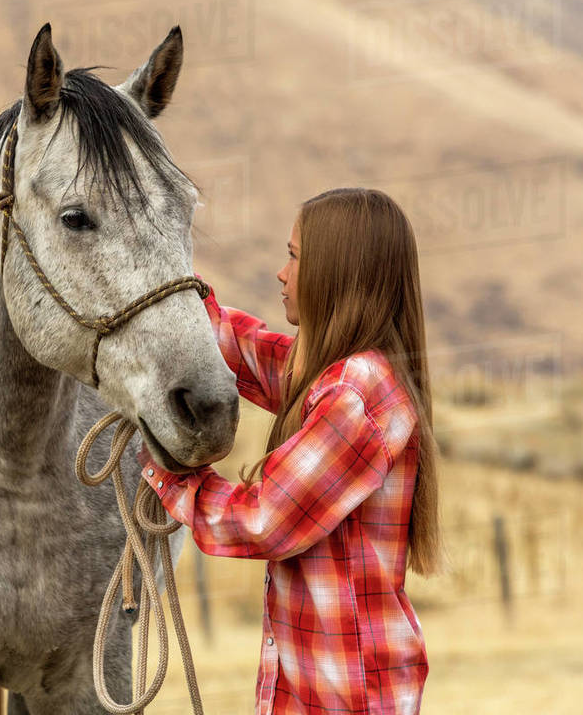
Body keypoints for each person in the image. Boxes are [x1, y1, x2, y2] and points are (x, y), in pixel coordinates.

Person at [136, 187, 443, 714]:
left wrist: (169, 476)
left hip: (346, 697)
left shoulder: (356, 393)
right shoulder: (339, 375)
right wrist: (179, 302)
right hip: (322, 688)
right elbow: (257, 357)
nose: (282, 273)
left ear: (334, 272)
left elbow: (262, 521)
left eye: (295, 257)